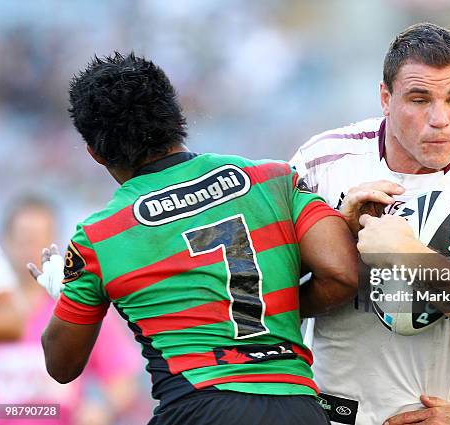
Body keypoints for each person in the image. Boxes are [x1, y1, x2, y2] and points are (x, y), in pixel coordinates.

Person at [29, 52, 358, 425]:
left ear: (95, 153)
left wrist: (64, 294)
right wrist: (269, 304)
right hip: (299, 409)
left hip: (196, 407)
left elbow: (62, 366)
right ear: (177, 116)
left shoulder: (98, 237)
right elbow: (341, 273)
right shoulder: (274, 178)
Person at [291, 23, 450, 425]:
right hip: (327, 413)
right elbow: (269, 292)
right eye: (419, 99)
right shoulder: (321, 162)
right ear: (385, 98)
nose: (440, 119)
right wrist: (337, 234)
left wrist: (408, 256)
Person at [0, 197, 144, 425]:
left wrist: (101, 408)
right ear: (6, 241)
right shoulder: (2, 309)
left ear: (53, 241)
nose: (30, 248)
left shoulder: (77, 305)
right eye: (23, 239)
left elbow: (122, 377)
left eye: (39, 239)